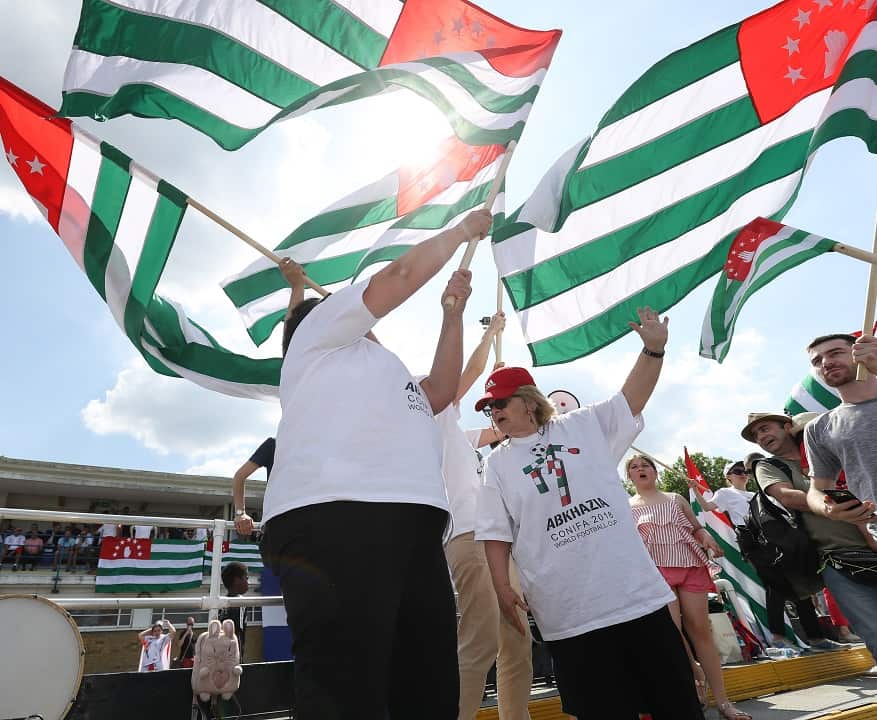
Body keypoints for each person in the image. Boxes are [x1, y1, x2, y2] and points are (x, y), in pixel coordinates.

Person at [261, 208, 490, 720]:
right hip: (334, 517)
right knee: (344, 693)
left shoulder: (388, 370)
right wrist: (459, 232)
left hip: (413, 528)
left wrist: (451, 316)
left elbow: (439, 391)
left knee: (428, 685)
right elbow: (400, 276)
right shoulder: (315, 339)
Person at [475, 309, 704, 720]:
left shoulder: (581, 426)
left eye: (500, 403)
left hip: (635, 598)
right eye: (488, 408)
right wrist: (499, 585)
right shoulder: (497, 464)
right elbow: (495, 532)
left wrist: (653, 349)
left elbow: (630, 399)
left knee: (676, 706)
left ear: (529, 402)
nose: (494, 413)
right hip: (567, 614)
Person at [437, 313, 532, 720]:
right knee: (480, 641)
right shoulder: (434, 415)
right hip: (468, 537)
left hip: (497, 540)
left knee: (517, 639)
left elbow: (500, 432)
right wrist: (491, 333)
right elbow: (470, 369)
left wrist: (499, 395)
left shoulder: (456, 432)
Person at [627, 455, 749, 720]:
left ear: (655, 471)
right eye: (634, 467)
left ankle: (724, 702)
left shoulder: (675, 498)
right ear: (629, 477)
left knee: (699, 629)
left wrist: (708, 540)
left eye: (645, 465)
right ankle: (695, 676)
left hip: (690, 564)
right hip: (656, 573)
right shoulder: (627, 506)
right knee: (671, 632)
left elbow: (696, 529)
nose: (640, 469)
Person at [741, 411, 859, 651]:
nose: (761, 437)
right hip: (833, 555)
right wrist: (837, 504)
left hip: (869, 537)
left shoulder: (827, 452)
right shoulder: (767, 466)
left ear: (787, 427)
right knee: (869, 620)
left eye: (765, 429)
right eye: (756, 435)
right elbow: (788, 497)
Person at [802, 333, 877, 657]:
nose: (826, 363)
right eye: (817, 360)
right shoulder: (819, 428)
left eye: (835, 353)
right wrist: (828, 509)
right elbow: (816, 489)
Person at [688, 460, 753, 527]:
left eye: (745, 471)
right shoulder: (725, 493)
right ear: (728, 476)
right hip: (747, 532)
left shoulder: (755, 495)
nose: (743, 474)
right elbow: (706, 507)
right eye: (738, 471)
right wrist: (695, 489)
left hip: (762, 532)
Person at [233, 438, 275, 538]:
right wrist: (240, 513)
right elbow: (239, 476)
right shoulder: (274, 444)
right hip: (278, 520)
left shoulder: (317, 446)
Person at [219, 561, 250, 658]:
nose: (248, 582)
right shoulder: (240, 603)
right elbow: (238, 635)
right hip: (232, 658)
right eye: (246, 578)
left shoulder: (222, 603)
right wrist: (239, 660)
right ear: (237, 580)